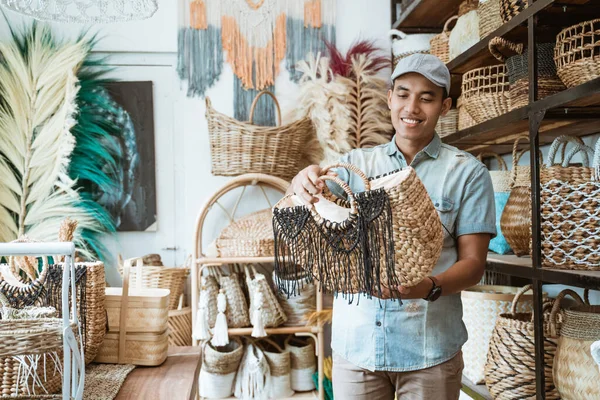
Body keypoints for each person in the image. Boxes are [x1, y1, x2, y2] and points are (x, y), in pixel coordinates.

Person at [288, 53, 496, 399]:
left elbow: (474, 266)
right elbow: (309, 203)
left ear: (445, 106)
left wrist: (428, 287)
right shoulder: (355, 164)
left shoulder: (467, 173)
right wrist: (301, 180)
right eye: (403, 93)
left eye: (426, 97)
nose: (411, 107)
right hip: (357, 349)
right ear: (389, 99)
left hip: (429, 351)